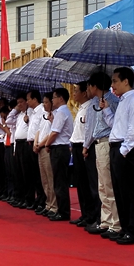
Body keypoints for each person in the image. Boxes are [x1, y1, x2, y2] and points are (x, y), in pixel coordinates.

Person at [102, 67, 134, 245]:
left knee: (129, 192)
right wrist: (105, 110)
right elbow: (115, 125)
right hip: (116, 146)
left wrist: (122, 151)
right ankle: (125, 228)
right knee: (119, 192)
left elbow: (133, 131)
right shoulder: (122, 102)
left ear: (126, 81)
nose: (113, 85)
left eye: (115, 81)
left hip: (124, 149)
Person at [83, 72, 121, 238]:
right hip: (98, 144)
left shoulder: (111, 101)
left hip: (107, 142)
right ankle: (106, 221)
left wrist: (106, 109)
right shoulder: (96, 102)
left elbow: (116, 125)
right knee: (102, 186)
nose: (88, 89)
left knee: (108, 185)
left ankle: (115, 223)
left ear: (95, 86)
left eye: (89, 86)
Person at [69, 81, 96, 228]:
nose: (74, 94)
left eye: (76, 91)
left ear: (85, 92)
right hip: (77, 146)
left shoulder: (90, 108)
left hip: (86, 148)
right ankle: (84, 214)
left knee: (87, 183)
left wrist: (85, 147)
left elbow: (89, 131)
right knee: (80, 183)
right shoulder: (80, 108)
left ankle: (91, 215)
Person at [44, 88, 73, 221]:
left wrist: (47, 144)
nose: (52, 100)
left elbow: (55, 132)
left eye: (54, 97)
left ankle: (63, 211)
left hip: (60, 148)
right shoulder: (61, 112)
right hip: (60, 147)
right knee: (58, 180)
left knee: (60, 181)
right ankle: (62, 210)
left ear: (61, 98)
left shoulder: (61, 112)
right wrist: (51, 121)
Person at [33, 92, 58, 218]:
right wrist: (36, 142)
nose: (45, 104)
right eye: (44, 102)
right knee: (44, 179)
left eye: (47, 102)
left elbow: (51, 133)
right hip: (40, 148)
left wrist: (41, 144)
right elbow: (39, 130)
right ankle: (48, 204)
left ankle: (54, 205)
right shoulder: (43, 115)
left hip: (46, 148)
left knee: (50, 177)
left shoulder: (55, 116)